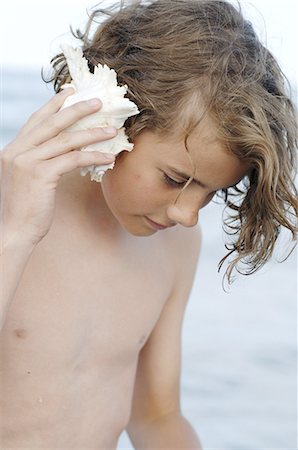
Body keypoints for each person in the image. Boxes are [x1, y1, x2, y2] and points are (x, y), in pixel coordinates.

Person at [0, 0, 297, 448]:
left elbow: (156, 416)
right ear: (111, 119)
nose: (187, 214)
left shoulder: (175, 244)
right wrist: (16, 232)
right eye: (175, 179)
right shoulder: (9, 213)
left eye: (211, 192)